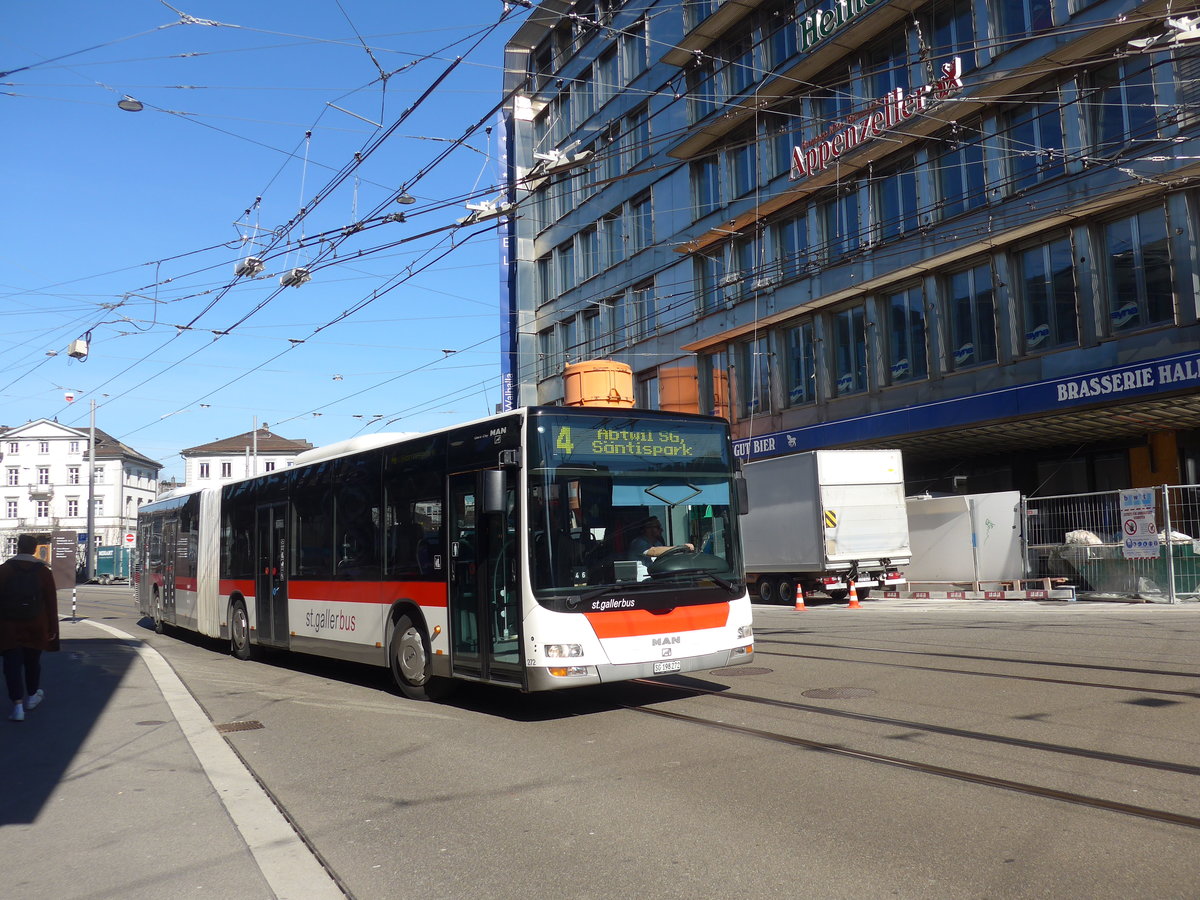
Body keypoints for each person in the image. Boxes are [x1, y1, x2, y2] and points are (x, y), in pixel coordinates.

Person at [0, 534, 60, 722]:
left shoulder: (4, 570)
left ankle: (17, 706)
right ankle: (32, 697)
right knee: (32, 662)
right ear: (35, 549)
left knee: (11, 666)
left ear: (18, 547)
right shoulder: (43, 572)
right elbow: (51, 603)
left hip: (8, 625)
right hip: (36, 624)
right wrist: (52, 629)